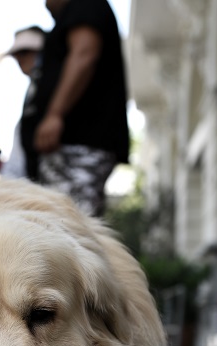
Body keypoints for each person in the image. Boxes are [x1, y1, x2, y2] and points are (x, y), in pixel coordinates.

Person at [23, 0, 130, 217]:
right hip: (69, 149)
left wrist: (55, 114)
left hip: (79, 146)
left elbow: (84, 53)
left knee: (71, 225)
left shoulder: (85, 5)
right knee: (64, 224)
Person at [0, 26, 46, 181]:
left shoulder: (49, 87)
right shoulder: (33, 88)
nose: (19, 59)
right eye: (17, 55)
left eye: (25, 52)